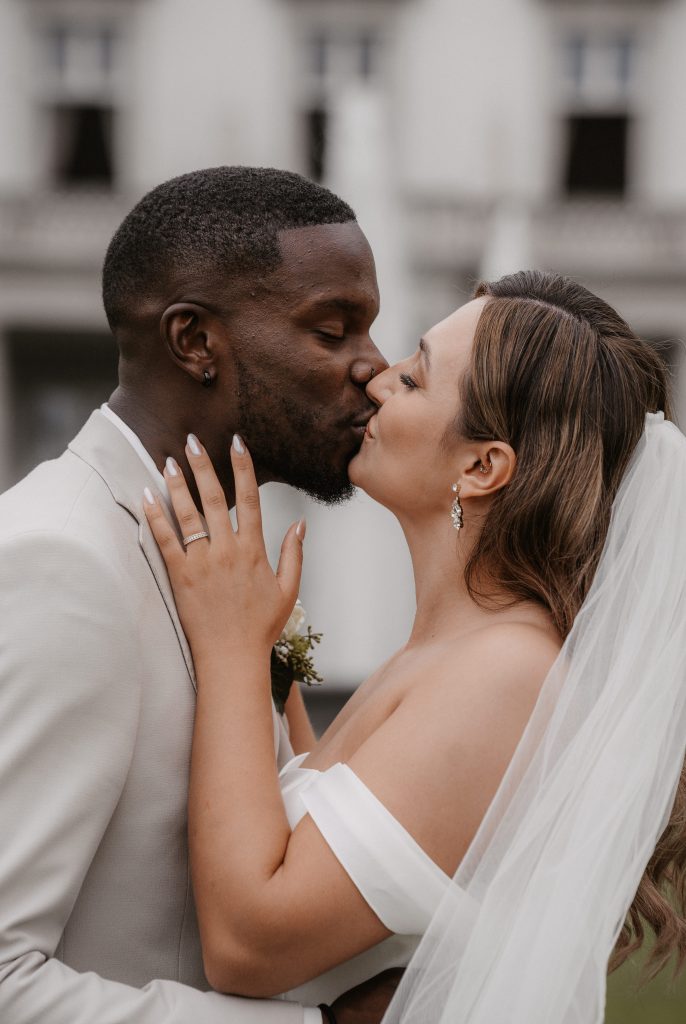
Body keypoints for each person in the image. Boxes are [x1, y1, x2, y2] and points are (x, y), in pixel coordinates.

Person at [145, 270, 686, 1021]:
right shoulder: (446, 654)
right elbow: (287, 822)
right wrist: (261, 647)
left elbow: (249, 942)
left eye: (417, 375)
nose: (377, 379)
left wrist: (235, 650)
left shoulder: (506, 673)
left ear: (481, 467)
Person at [0, 166, 401, 1024]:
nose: (374, 368)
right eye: (334, 329)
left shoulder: (212, 559)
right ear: (195, 340)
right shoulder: (61, 562)